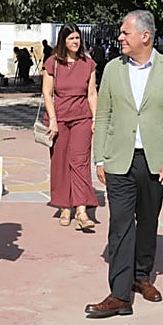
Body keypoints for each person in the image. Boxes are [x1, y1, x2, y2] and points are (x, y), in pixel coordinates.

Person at [85, 10, 163, 318]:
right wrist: (99, 157)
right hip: (119, 160)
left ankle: (141, 276)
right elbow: (103, 115)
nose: (120, 38)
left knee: (148, 220)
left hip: (156, 161)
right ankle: (119, 295)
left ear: (145, 36)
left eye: (125, 33)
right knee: (119, 224)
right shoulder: (114, 70)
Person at [42, 23, 99, 230]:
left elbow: (92, 94)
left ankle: (81, 209)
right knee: (60, 162)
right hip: (59, 119)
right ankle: (65, 206)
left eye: (77, 38)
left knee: (80, 161)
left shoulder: (88, 63)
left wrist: (96, 119)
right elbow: (47, 93)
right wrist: (54, 119)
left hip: (82, 118)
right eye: (71, 39)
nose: (76, 42)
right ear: (63, 41)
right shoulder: (53, 63)